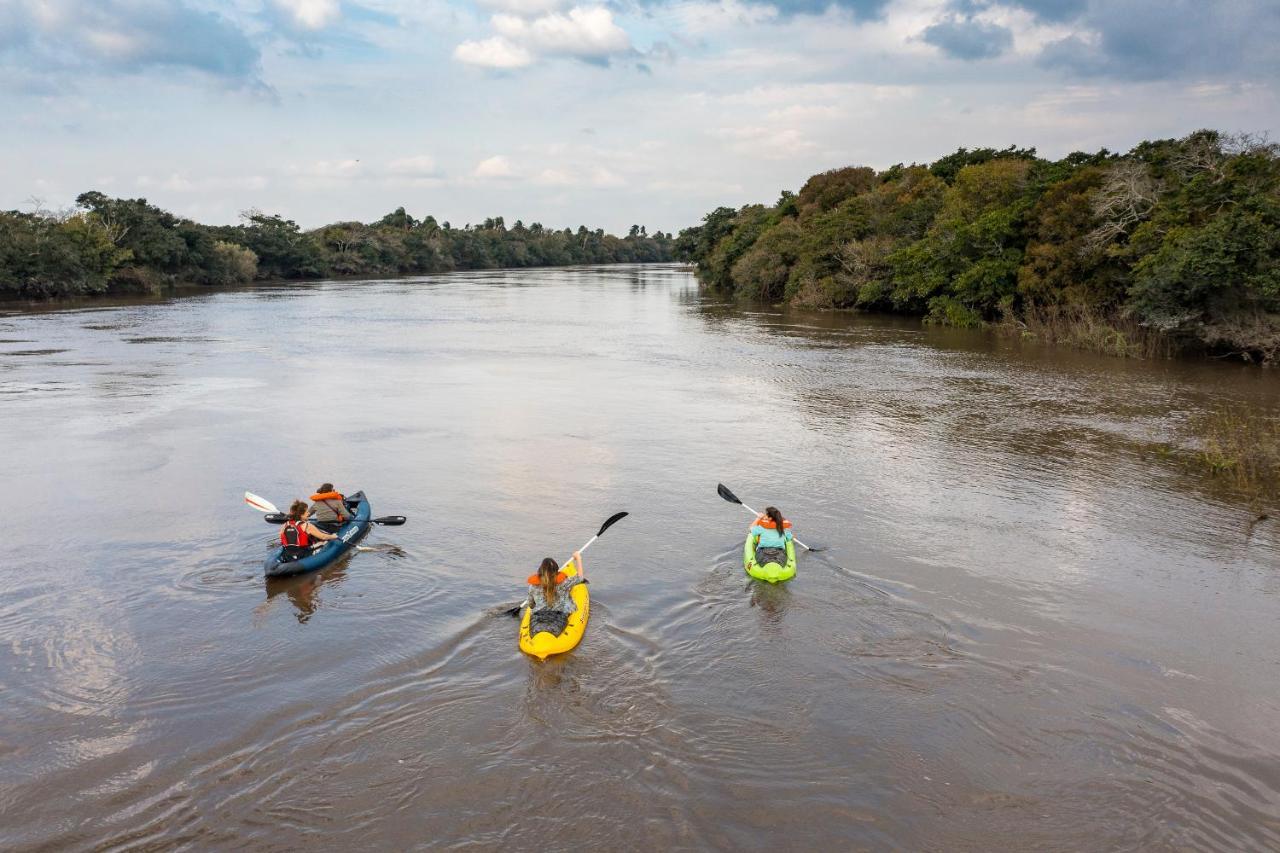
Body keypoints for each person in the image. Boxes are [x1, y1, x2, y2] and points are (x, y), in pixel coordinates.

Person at [523, 551, 585, 636]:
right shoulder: (564, 583)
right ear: (556, 571)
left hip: (538, 616)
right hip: (560, 616)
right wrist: (578, 558)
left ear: (540, 571)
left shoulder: (532, 587)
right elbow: (580, 578)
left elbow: (531, 605)